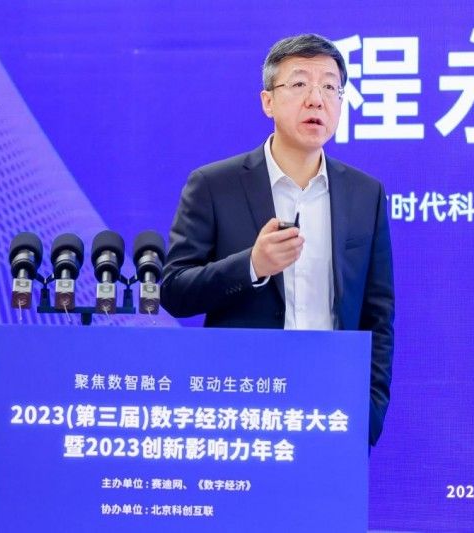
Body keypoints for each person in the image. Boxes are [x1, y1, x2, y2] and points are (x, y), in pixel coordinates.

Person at [161, 34, 394, 447]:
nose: (316, 99)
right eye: (300, 83)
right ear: (268, 101)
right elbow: (175, 291)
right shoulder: (214, 185)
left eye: (330, 87)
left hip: (332, 407)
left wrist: (368, 413)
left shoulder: (365, 194)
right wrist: (252, 266)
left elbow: (378, 314)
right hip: (241, 407)